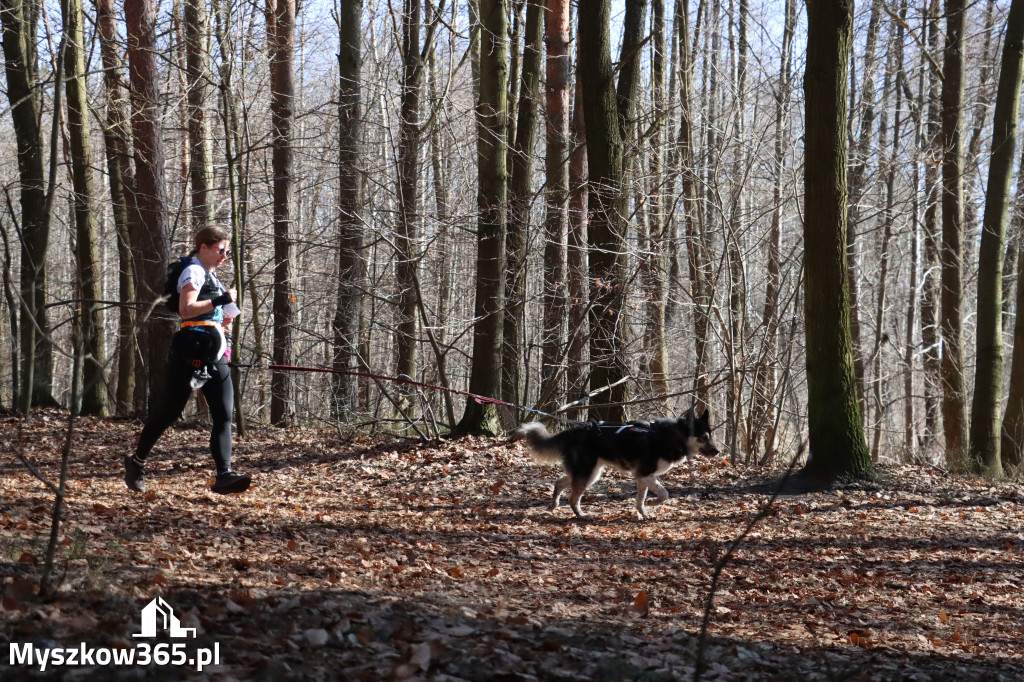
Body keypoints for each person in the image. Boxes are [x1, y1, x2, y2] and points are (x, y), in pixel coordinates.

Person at [125, 226, 251, 494]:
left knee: (224, 413)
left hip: (214, 350)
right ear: (203, 247)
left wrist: (227, 312)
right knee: (169, 412)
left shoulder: (212, 276)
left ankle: (224, 474)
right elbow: (186, 309)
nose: (224, 256)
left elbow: (218, 314)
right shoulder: (193, 271)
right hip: (191, 349)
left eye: (227, 251)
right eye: (220, 250)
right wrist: (220, 300)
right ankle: (136, 462)